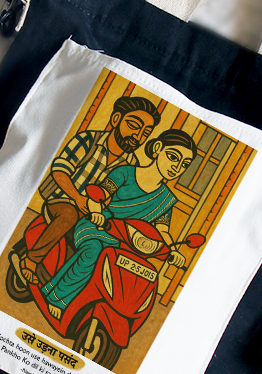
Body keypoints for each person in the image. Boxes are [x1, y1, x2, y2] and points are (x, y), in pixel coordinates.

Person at [41, 129, 197, 320]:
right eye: (173, 157)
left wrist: (173, 251)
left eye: (184, 164)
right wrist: (96, 212)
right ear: (157, 148)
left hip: (128, 242)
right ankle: (56, 297)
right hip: (98, 227)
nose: (177, 167)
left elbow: (162, 230)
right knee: (93, 251)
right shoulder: (125, 172)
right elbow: (99, 196)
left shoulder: (166, 199)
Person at [19, 96, 161, 285]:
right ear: (116, 119)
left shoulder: (132, 164)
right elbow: (60, 170)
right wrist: (78, 198)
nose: (138, 136)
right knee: (69, 215)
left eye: (145, 133)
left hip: (95, 216)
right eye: (134, 126)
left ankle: (66, 284)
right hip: (63, 200)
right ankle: (30, 260)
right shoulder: (88, 140)